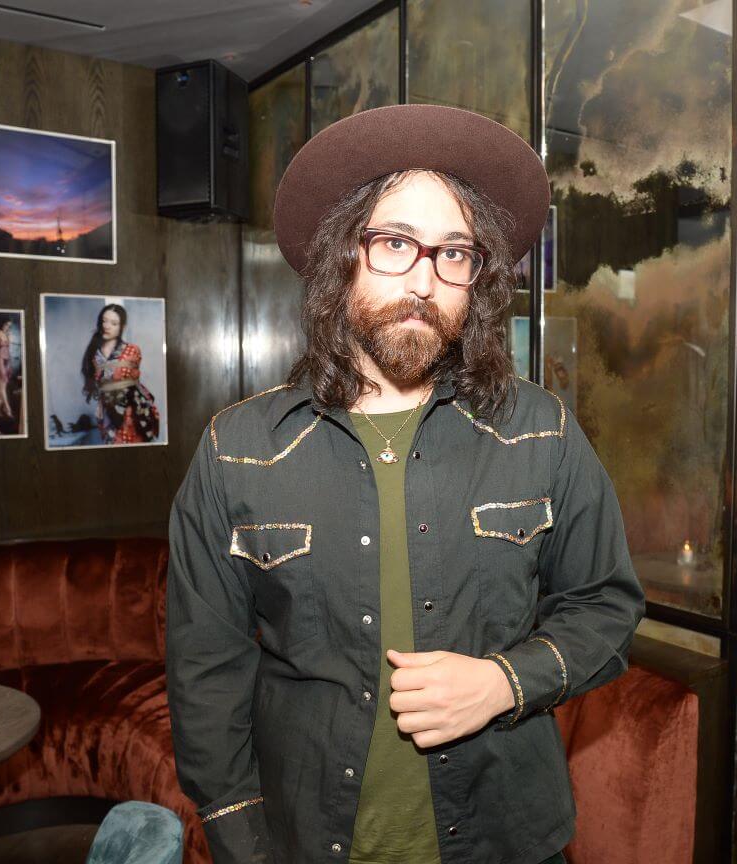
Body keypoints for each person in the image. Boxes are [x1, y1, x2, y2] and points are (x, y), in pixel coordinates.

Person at [166, 104, 645, 864]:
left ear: (476, 280)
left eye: (454, 253)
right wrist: (242, 841)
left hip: (506, 841)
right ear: (340, 257)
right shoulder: (239, 450)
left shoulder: (541, 432)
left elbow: (607, 606)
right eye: (394, 243)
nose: (424, 278)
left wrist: (502, 683)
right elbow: (208, 672)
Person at [80, 303, 161, 444]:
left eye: (113, 323)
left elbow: (122, 380)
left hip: (130, 408)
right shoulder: (94, 351)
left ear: (122, 327)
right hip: (105, 410)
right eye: (104, 321)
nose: (107, 326)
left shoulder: (131, 350)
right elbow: (97, 380)